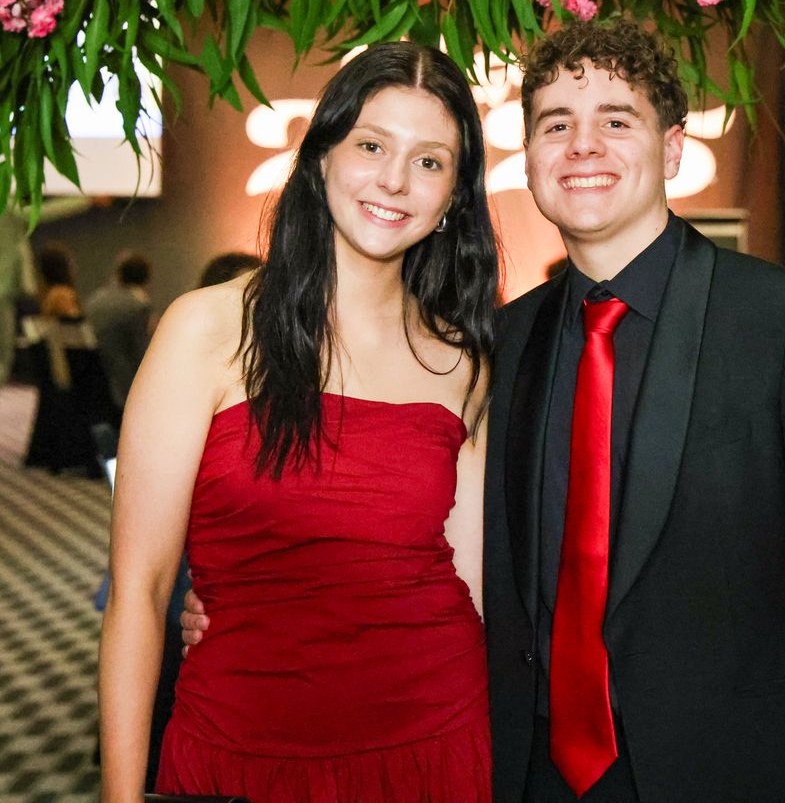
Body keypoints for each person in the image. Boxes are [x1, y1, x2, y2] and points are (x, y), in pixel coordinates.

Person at [185, 20, 785, 802]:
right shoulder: (497, 344)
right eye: (556, 125)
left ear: (672, 148)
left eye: (616, 121)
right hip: (530, 770)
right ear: (528, 157)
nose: (583, 146)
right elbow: (424, 542)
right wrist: (252, 606)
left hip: (729, 773)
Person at [100, 41, 499, 803]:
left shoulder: (463, 361)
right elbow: (139, 593)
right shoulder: (206, 329)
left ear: (453, 195)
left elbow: (476, 589)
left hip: (436, 745)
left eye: (429, 162)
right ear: (320, 156)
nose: (394, 180)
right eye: (372, 146)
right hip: (238, 750)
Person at [85, 252, 154, 411]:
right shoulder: (137, 306)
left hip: (96, 385)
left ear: (119, 274)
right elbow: (142, 354)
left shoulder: (94, 300)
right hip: (126, 387)